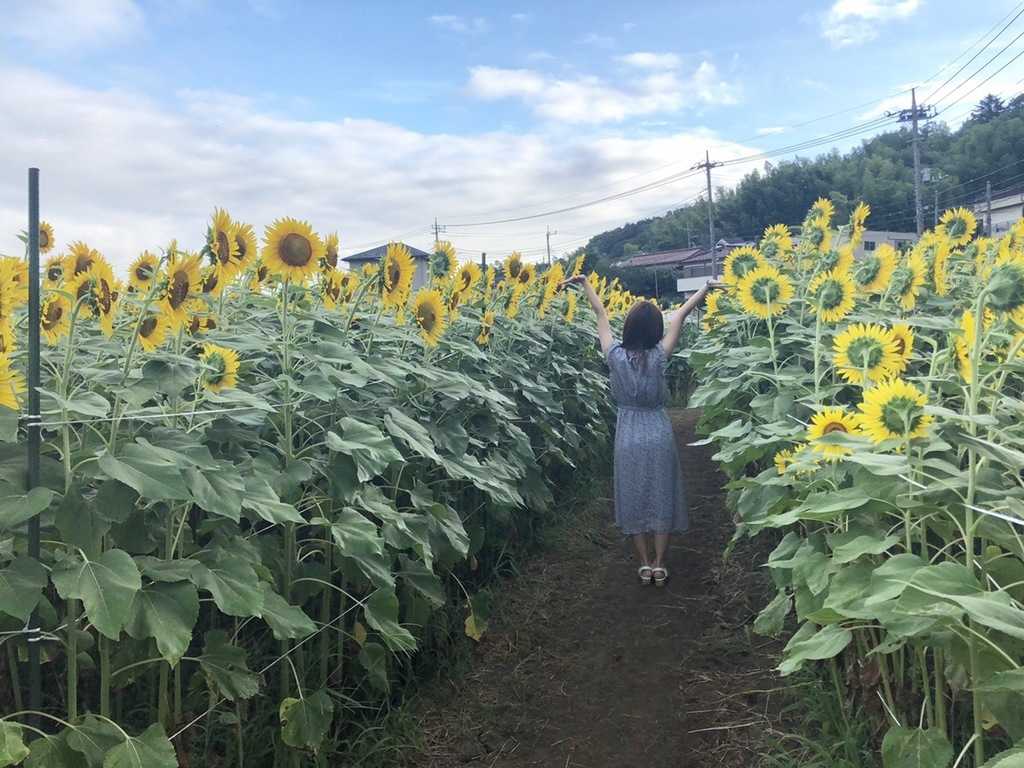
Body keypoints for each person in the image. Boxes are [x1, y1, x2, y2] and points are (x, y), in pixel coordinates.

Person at [562, 276, 721, 587]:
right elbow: (681, 315)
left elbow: (600, 314)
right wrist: (705, 288)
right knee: (662, 494)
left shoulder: (614, 356)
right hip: (658, 432)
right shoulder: (660, 355)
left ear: (630, 328)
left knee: (634, 496)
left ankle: (644, 564)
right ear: (654, 331)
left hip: (628, 436)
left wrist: (585, 283)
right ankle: (661, 564)